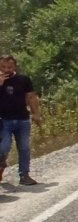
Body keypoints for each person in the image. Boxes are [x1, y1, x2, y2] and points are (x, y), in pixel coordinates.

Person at [0, 55, 41, 185]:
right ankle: (1, 163)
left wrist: (36, 114)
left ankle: (24, 175)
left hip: (22, 118)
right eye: (3, 67)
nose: (7, 69)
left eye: (9, 67)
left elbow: (31, 97)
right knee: (4, 147)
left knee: (24, 147)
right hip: (3, 120)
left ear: (15, 66)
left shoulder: (23, 80)